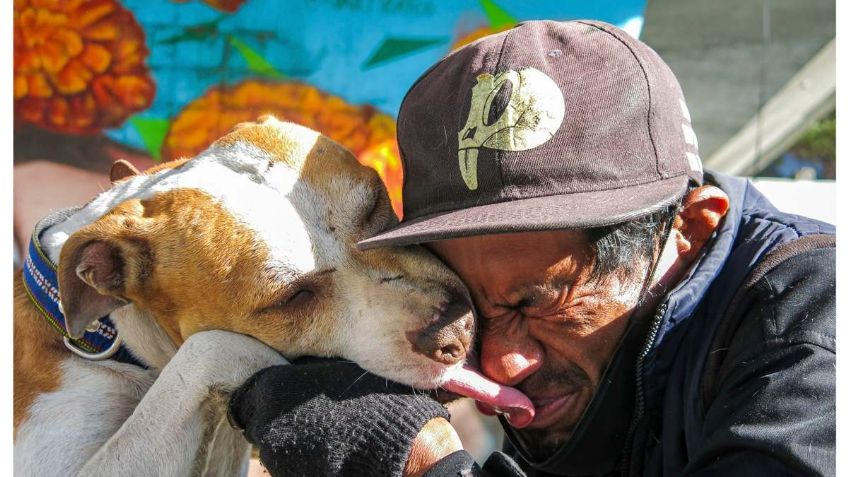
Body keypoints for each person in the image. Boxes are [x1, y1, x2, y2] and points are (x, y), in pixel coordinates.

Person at [227, 20, 835, 476]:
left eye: (538, 302)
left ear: (690, 229)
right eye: (472, 306)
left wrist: (423, 464)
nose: (501, 364)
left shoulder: (817, 314)